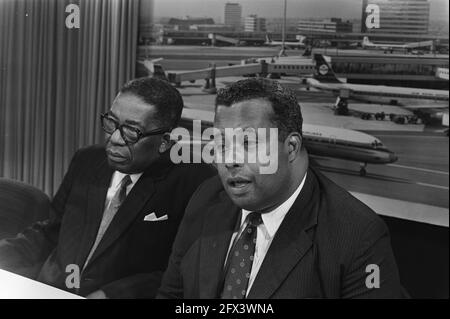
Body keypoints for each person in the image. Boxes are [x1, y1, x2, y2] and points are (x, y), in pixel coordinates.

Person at [158, 78, 403, 299]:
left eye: (248, 143)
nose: (230, 159)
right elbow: (171, 295)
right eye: (221, 143)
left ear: (292, 147)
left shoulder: (357, 234)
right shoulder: (206, 197)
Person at [0, 77, 216, 298]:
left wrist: (111, 295)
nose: (114, 139)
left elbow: (184, 270)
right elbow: (51, 232)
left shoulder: (195, 180)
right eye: (111, 122)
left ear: (165, 140)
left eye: (131, 131)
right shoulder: (86, 160)